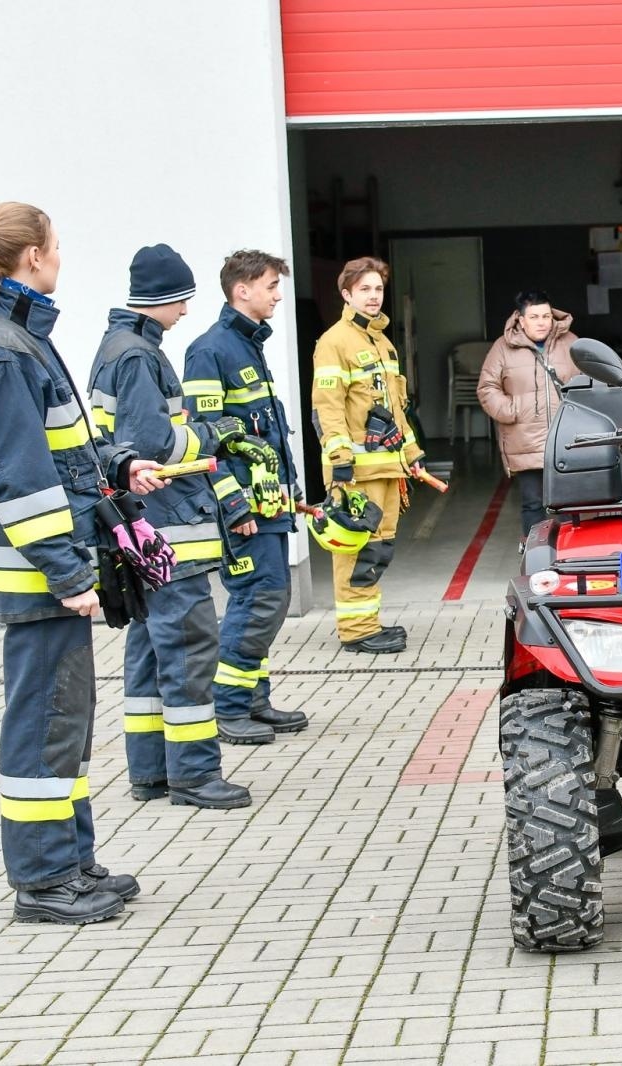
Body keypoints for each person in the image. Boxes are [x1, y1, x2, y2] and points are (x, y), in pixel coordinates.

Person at [0, 203, 166, 923]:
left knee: (64, 723)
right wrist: (71, 577)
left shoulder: (18, 340)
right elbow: (16, 477)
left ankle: (71, 861)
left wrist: (121, 465)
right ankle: (43, 882)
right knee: (45, 724)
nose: (62, 255)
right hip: (42, 580)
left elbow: (61, 453)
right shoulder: (6, 349)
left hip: (50, 576)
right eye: (58, 245)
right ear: (33, 256)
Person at [86, 244, 254, 809]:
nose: (185, 310)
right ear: (162, 298)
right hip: (170, 532)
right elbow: (152, 444)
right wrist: (211, 434)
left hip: (144, 533)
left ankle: (152, 773)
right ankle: (195, 776)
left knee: (150, 651)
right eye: (182, 299)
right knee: (187, 651)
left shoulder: (116, 348)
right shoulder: (138, 356)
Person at [183, 251, 310, 744]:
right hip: (244, 510)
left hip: (268, 504)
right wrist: (232, 504)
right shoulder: (210, 351)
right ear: (242, 290)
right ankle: (228, 706)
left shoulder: (247, 345)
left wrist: (289, 487)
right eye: (272, 285)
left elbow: (265, 433)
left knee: (270, 601)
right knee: (258, 600)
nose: (279, 295)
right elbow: (205, 439)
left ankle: (254, 700)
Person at [311, 256, 425, 654]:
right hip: (355, 471)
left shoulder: (382, 342)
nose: (374, 296)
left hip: (387, 467)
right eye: (365, 289)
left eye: (378, 289)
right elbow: (327, 406)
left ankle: (367, 623)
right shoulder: (334, 342)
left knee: (378, 547)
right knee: (355, 547)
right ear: (347, 294)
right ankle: (356, 631)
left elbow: (395, 409)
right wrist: (340, 460)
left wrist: (412, 453)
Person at [476, 291, 579, 546]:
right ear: (521, 320)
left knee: (570, 503)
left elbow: (591, 382)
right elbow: (487, 388)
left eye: (546, 316)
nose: (542, 322)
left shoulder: (571, 342)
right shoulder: (503, 346)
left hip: (566, 439)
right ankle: (537, 558)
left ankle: (568, 556)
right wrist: (512, 410)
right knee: (533, 503)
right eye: (534, 317)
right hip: (526, 440)